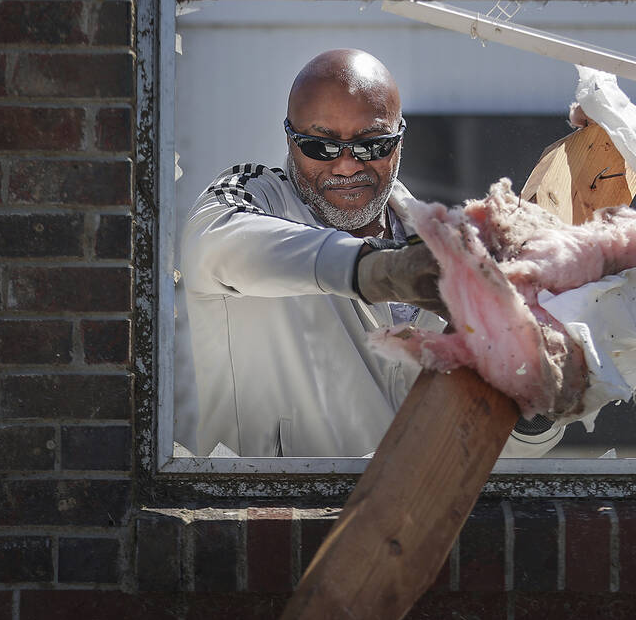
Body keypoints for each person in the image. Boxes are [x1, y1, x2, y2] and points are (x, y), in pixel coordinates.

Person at [179, 49, 564, 457]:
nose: (346, 166)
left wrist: (536, 388)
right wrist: (376, 269)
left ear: (400, 139)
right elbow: (215, 243)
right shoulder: (255, 198)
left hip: (406, 516)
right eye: (320, 146)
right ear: (290, 139)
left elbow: (491, 452)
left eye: (371, 146)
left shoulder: (450, 255)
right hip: (267, 516)